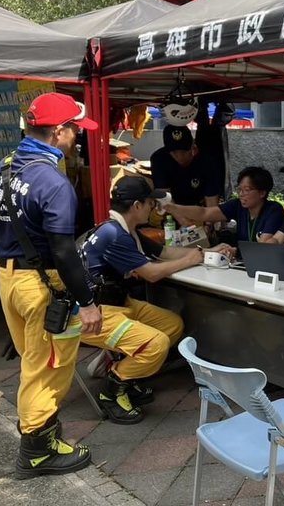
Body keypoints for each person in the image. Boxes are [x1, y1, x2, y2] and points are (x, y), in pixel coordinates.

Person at [0, 92, 103, 479]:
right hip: (43, 285)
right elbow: (64, 250)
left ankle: (43, 432)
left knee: (33, 359)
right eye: (75, 131)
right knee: (46, 367)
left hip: (8, 277)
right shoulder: (52, 182)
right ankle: (37, 451)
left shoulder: (0, 169)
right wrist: (86, 302)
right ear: (57, 132)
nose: (77, 138)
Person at [80, 176, 234, 424]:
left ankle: (131, 377)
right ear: (137, 206)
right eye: (151, 203)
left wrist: (207, 252)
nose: (155, 208)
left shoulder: (124, 230)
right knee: (156, 343)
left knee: (172, 324)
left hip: (118, 303)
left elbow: (163, 252)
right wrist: (189, 261)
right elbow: (150, 274)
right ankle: (114, 389)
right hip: (93, 314)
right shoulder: (114, 234)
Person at [165, 166, 284, 244]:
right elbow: (204, 213)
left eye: (247, 190)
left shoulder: (274, 210)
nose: (242, 194)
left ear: (262, 193)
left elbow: (263, 245)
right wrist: (174, 208)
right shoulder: (237, 205)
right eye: (240, 190)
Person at [150, 125, 220, 208]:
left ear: (193, 147)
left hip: (199, 207)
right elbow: (163, 196)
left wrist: (210, 219)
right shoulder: (159, 159)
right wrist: (182, 219)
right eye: (174, 152)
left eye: (184, 151)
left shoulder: (207, 160)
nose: (180, 157)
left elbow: (211, 201)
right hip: (171, 208)